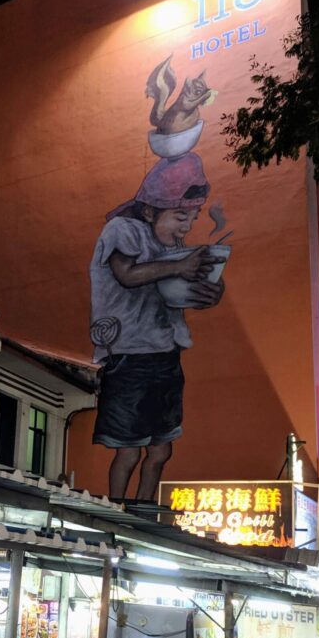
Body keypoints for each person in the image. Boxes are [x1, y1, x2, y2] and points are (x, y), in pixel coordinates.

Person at [90, 152, 224, 503]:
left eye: (192, 217)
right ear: (149, 211)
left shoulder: (172, 247)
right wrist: (179, 268)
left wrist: (207, 289)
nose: (186, 226)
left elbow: (174, 293)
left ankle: (144, 511)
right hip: (129, 356)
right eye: (181, 216)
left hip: (165, 354)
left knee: (161, 451)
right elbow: (127, 274)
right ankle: (116, 512)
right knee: (129, 450)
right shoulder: (123, 230)